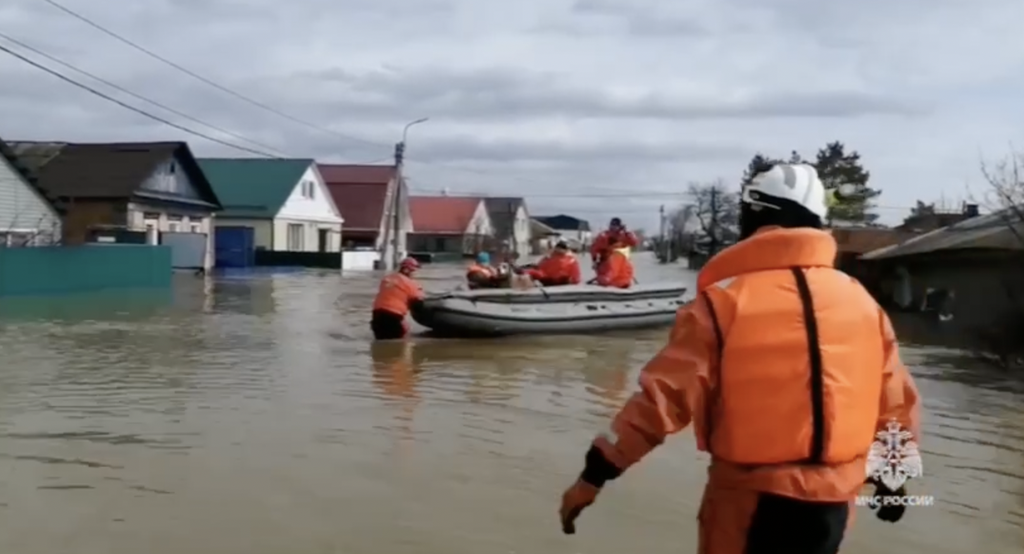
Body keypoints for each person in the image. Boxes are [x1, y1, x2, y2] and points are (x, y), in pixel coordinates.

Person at [558, 163, 922, 554]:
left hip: (748, 501)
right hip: (833, 505)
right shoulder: (861, 302)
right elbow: (894, 401)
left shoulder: (721, 302)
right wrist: (893, 476)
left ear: (755, 214)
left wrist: (594, 475)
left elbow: (661, 401)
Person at [370, 257, 424, 340]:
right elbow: (418, 301)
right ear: (406, 270)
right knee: (402, 343)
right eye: (414, 271)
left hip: (376, 316)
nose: (415, 274)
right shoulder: (411, 284)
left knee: (380, 342)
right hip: (394, 317)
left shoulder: (386, 279)